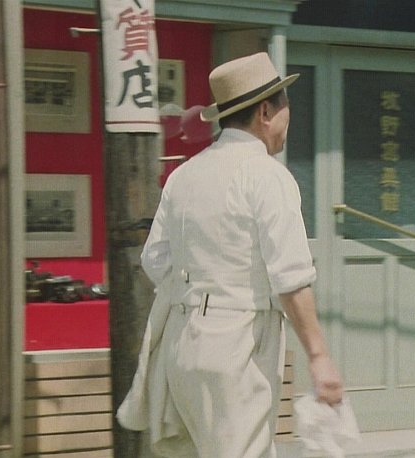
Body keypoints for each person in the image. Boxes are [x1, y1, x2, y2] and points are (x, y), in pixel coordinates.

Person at [117, 52, 343, 457]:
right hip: (238, 344)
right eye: (285, 105)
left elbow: (155, 259)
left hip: (179, 342)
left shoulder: (184, 174)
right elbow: (291, 278)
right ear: (265, 112)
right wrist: (319, 357)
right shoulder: (268, 177)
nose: (288, 117)